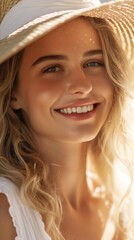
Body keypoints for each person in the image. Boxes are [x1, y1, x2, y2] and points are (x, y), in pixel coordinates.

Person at [0, 0, 134, 239]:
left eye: (93, 63)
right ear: (12, 95)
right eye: (52, 68)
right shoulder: (5, 213)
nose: (82, 86)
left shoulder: (121, 198)